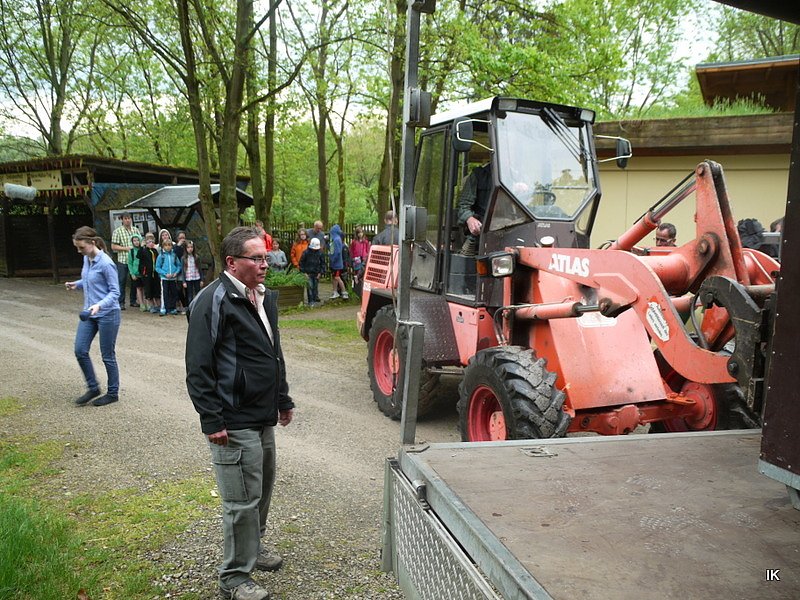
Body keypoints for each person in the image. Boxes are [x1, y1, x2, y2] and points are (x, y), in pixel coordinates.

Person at [185, 226, 294, 600]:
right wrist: (212, 420)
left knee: (261, 490)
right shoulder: (212, 300)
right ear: (232, 262)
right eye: (257, 258)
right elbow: (198, 366)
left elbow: (272, 354)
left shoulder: (261, 297)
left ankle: (254, 547)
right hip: (232, 419)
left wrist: (283, 398)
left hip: (262, 415)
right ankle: (233, 578)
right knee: (240, 501)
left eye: (266, 257)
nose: (266, 264)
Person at [65, 226, 122, 407]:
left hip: (108, 313)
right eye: (77, 247)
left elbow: (115, 292)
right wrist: (78, 284)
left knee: (107, 355)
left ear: (91, 243)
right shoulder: (86, 259)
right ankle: (93, 387)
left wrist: (99, 305)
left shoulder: (106, 263)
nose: (79, 251)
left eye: (81, 247)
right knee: (80, 350)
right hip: (89, 313)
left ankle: (112, 393)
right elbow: (90, 279)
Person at [456, 164, 492, 256]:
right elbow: (463, 206)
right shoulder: (478, 175)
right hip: (482, 233)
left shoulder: (518, 176)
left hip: (513, 232)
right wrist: (470, 219)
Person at [110, 212, 143, 309]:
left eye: (129, 218)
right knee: (122, 280)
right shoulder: (117, 231)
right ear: (122, 220)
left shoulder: (135, 230)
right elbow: (113, 246)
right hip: (123, 260)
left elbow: (140, 243)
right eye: (125, 218)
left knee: (135, 281)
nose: (127, 220)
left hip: (135, 261)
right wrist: (126, 248)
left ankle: (133, 300)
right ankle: (121, 302)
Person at [156, 238, 182, 315]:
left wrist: (176, 273)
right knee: (165, 293)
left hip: (173, 278)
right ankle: (163, 308)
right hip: (164, 278)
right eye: (166, 245)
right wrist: (165, 273)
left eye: (169, 245)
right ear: (163, 246)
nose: (168, 247)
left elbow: (179, 265)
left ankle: (172, 308)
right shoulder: (161, 256)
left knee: (174, 293)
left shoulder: (174, 255)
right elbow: (157, 267)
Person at [138, 234, 161, 314]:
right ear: (146, 243)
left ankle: (158, 305)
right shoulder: (143, 251)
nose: (150, 243)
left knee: (156, 290)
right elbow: (139, 256)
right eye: (148, 242)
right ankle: (151, 305)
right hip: (147, 274)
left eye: (152, 242)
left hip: (155, 274)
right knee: (148, 290)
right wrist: (141, 247)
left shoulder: (155, 251)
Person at [299, 237, 324, 306]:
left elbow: (322, 263)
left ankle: (315, 299)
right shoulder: (306, 253)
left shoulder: (320, 253)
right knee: (310, 287)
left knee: (315, 287)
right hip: (308, 273)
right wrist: (304, 272)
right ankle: (310, 301)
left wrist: (320, 272)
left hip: (316, 273)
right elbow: (301, 263)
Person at [327, 224, 348, 300]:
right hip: (335, 263)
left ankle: (344, 292)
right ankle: (335, 292)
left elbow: (337, 252)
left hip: (337, 264)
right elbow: (332, 249)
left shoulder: (336, 239)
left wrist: (333, 258)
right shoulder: (335, 239)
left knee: (337, 277)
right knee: (334, 278)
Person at [182, 240, 205, 306]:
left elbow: (200, 269)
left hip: (196, 277)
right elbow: (183, 270)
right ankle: (190, 307)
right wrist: (183, 281)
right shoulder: (183, 258)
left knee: (198, 293)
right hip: (188, 278)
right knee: (190, 294)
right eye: (188, 247)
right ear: (186, 249)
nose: (190, 249)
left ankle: (198, 306)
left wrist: (202, 280)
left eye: (191, 247)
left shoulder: (196, 257)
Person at [349, 227, 370, 297]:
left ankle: (363, 292)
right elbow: (351, 251)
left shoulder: (366, 242)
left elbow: (368, 250)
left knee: (363, 275)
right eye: (359, 233)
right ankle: (357, 291)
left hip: (364, 260)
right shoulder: (354, 242)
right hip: (356, 260)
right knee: (357, 274)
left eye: (361, 232)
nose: (360, 234)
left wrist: (366, 257)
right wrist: (352, 259)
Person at [128, 234, 146, 311]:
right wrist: (132, 273)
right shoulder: (131, 252)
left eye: (137, 240)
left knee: (145, 288)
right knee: (139, 288)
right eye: (134, 241)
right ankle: (141, 303)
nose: (136, 242)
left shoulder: (144, 249)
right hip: (136, 272)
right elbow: (130, 263)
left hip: (144, 272)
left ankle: (146, 303)